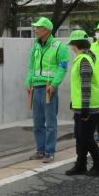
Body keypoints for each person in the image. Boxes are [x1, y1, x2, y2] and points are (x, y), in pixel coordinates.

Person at [25, 17, 69, 163]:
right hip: (36, 89)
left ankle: (49, 152)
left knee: (50, 123)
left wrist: (54, 84)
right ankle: (40, 150)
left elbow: (62, 68)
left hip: (49, 89)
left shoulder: (59, 47)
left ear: (47, 30)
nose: (35, 30)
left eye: (38, 27)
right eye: (35, 27)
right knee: (37, 123)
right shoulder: (35, 47)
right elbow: (31, 67)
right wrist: (28, 82)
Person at [64, 30, 99, 176]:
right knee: (80, 136)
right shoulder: (85, 58)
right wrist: (75, 103)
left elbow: (86, 85)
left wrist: (85, 109)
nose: (71, 48)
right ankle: (81, 164)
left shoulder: (84, 60)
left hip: (88, 107)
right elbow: (79, 86)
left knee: (87, 138)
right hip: (82, 105)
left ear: (76, 45)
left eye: (72, 45)